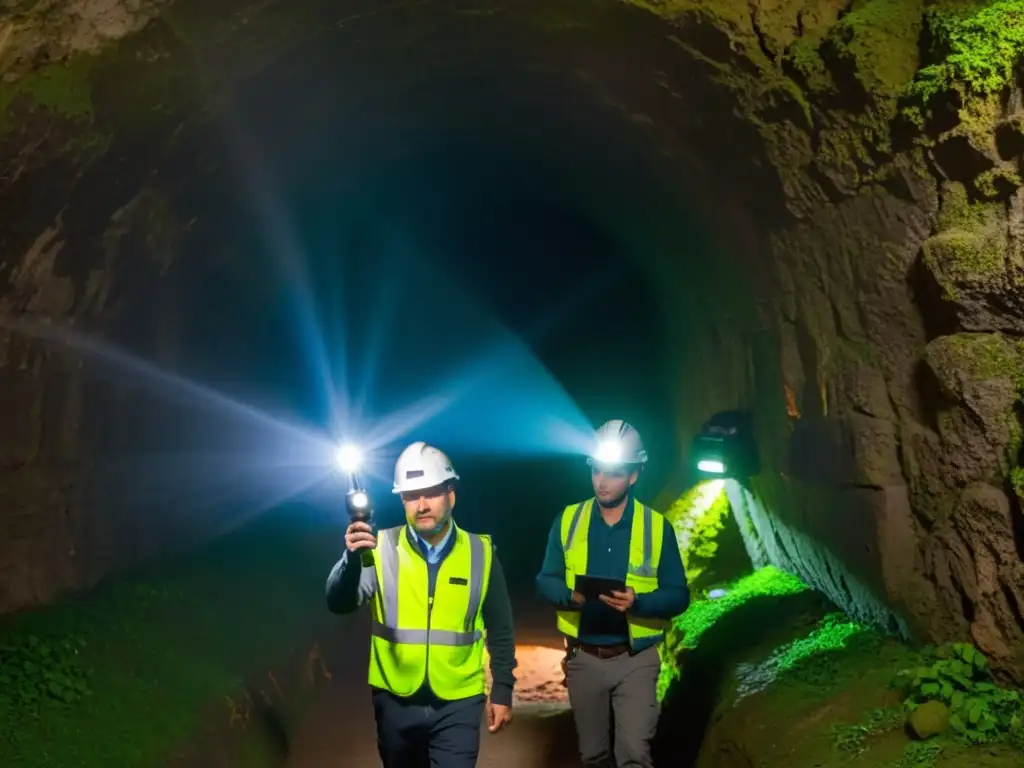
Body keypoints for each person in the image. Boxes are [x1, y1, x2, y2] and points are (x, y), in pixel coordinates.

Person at [325, 440, 517, 767]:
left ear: (450, 494)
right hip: (395, 701)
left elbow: (501, 628)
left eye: (431, 493)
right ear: (402, 500)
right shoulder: (379, 547)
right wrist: (351, 560)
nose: (422, 504)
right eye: (412, 496)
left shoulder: (480, 553)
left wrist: (502, 689)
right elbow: (339, 602)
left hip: (459, 701)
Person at [536, 419, 690, 768]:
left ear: (634, 475)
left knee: (635, 754)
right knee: (594, 756)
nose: (602, 482)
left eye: (614, 473)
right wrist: (567, 596)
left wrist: (640, 602)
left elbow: (679, 595)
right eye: (597, 471)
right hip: (584, 658)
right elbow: (545, 578)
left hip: (635, 659)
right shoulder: (569, 520)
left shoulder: (656, 527)